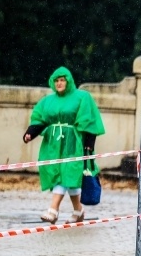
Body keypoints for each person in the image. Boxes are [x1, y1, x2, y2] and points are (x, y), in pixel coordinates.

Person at [23, 66, 105, 224]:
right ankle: (78, 210)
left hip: (74, 143)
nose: (59, 83)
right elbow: (40, 119)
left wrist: (89, 145)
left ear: (69, 81)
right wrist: (30, 133)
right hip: (53, 144)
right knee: (63, 175)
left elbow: (89, 121)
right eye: (56, 80)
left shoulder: (82, 97)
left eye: (62, 80)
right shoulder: (48, 101)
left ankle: (53, 210)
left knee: (66, 173)